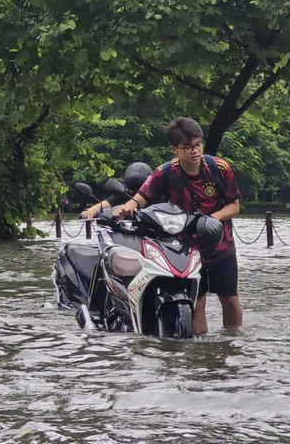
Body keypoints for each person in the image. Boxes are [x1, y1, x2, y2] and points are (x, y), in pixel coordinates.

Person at [113, 118, 242, 333]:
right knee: (197, 301)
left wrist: (213, 219)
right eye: (188, 147)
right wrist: (125, 208)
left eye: (198, 144)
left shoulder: (219, 168)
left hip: (221, 245)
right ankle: (200, 346)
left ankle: (233, 343)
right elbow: (141, 197)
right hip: (186, 249)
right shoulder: (164, 172)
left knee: (229, 298)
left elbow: (234, 205)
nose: (195, 151)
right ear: (175, 149)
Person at [79, 162, 153, 220]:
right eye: (132, 191)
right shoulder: (123, 193)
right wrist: (89, 212)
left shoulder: (157, 194)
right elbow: (104, 205)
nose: (137, 195)